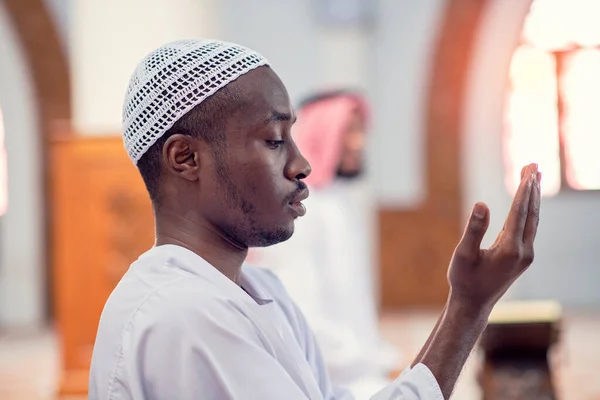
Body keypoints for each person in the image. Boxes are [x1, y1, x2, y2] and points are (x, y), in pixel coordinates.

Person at [89, 39, 542, 400]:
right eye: (273, 140)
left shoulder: (259, 293)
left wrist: (468, 306)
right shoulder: (185, 314)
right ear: (186, 158)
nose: (302, 163)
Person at [249, 90, 400, 396]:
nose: (359, 143)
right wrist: (377, 362)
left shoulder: (339, 203)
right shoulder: (299, 210)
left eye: (361, 131)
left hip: (361, 374)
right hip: (325, 381)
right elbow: (303, 316)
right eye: (348, 131)